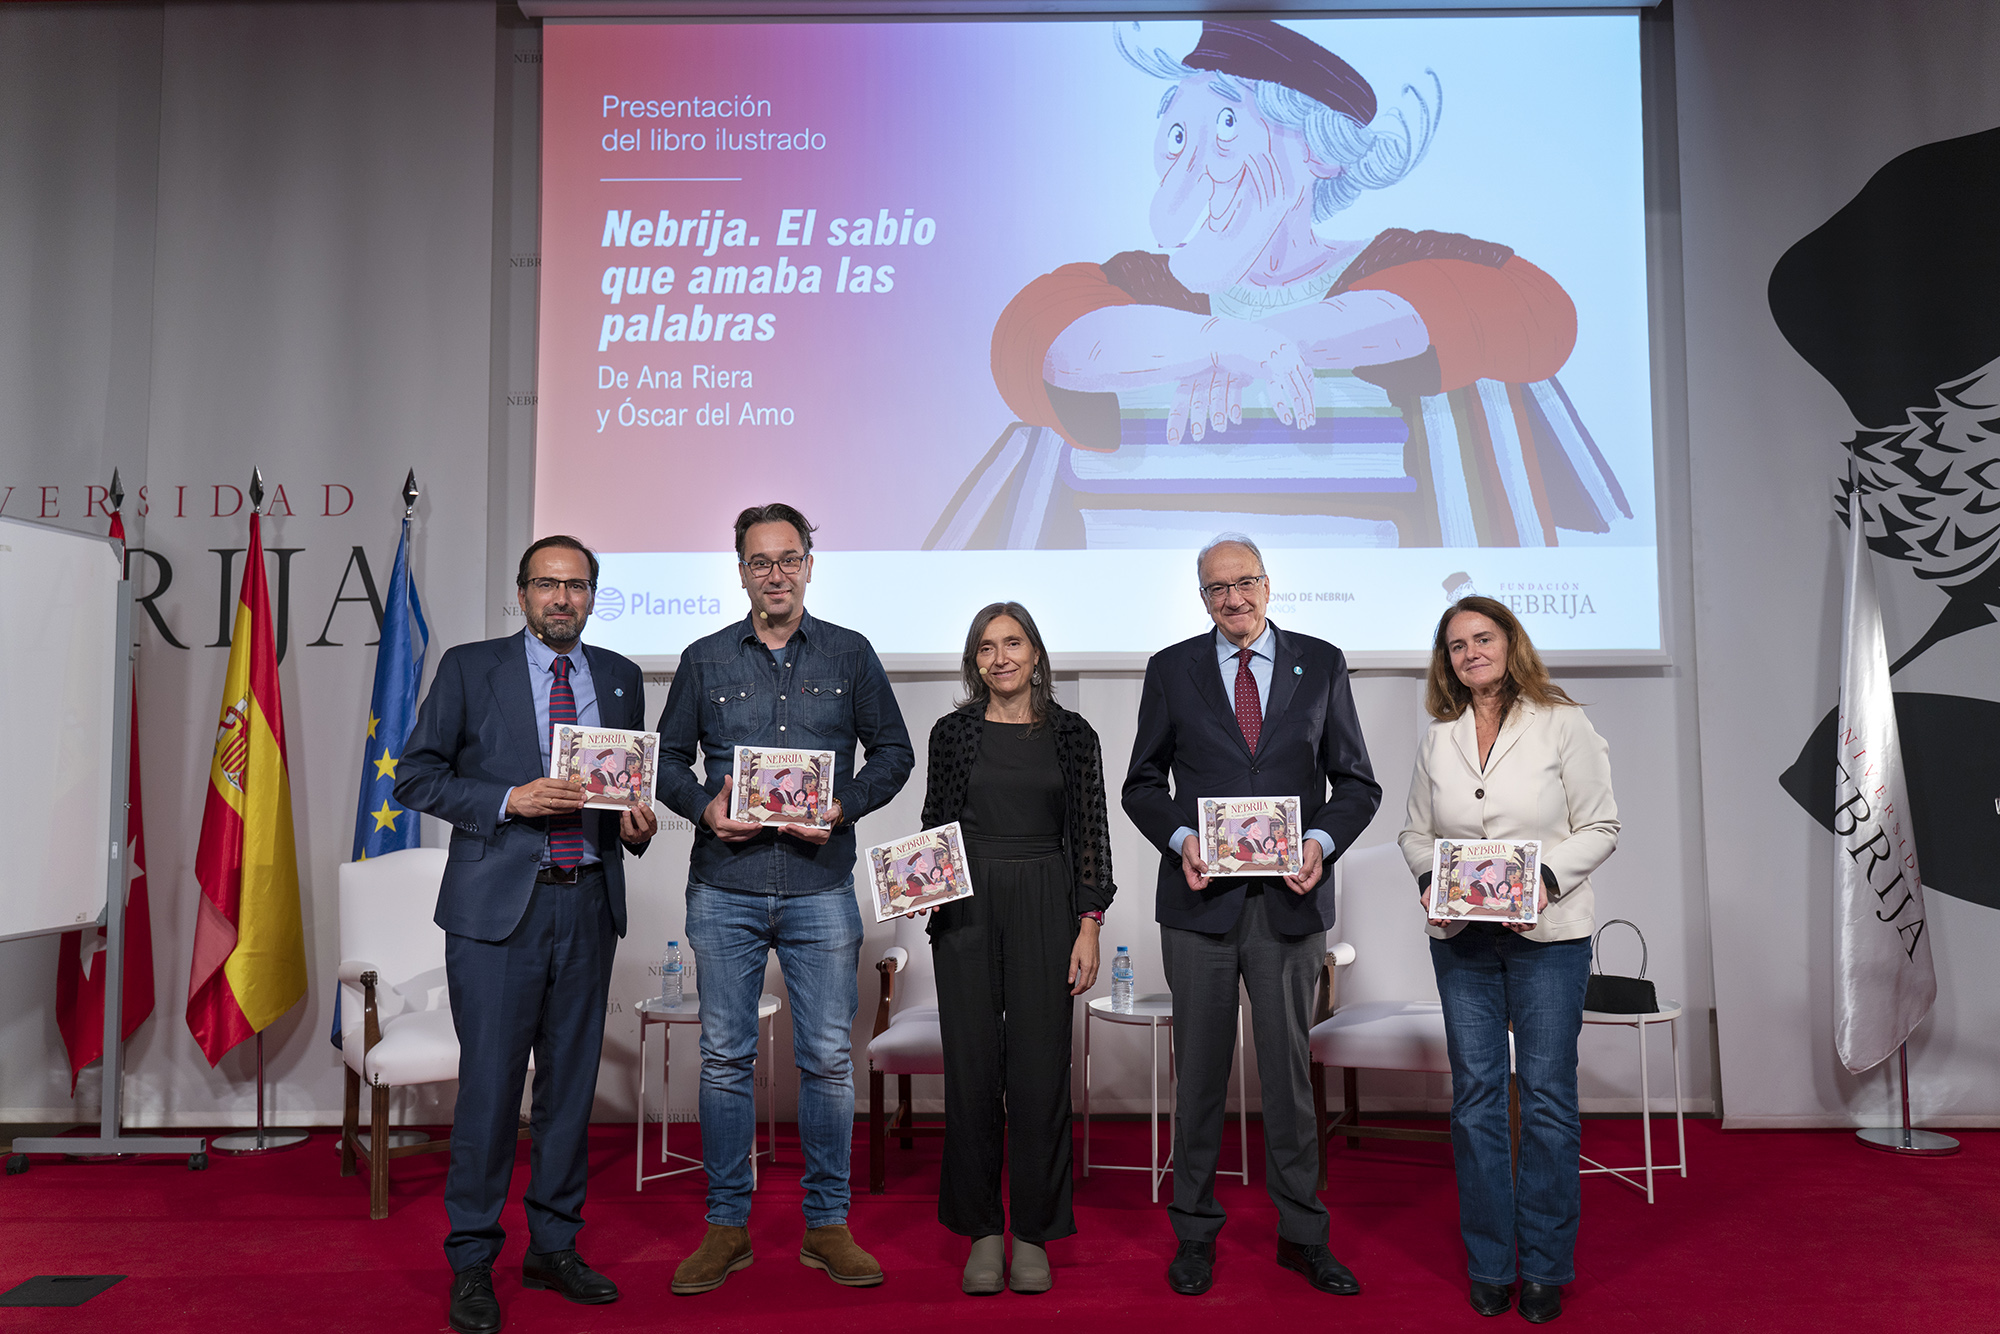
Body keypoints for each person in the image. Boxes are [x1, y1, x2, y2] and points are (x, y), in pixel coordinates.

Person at [974, 17, 1626, 550]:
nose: (1193, 168)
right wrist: (1223, 341)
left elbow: (1534, 309)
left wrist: (1275, 340)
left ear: (1317, 150)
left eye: (1228, 125)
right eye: (1177, 134)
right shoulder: (1151, 283)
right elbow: (1035, 338)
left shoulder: (1389, 260)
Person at [396, 536, 659, 1334]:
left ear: (593, 597)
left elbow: (624, 799)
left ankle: (554, 1246)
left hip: (587, 906)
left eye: (576, 586)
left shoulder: (620, 677)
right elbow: (416, 776)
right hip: (497, 914)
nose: (562, 598)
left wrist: (637, 825)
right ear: (522, 594)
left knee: (570, 1091)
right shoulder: (470, 668)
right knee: (489, 1091)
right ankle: (474, 1259)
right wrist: (511, 799)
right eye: (547, 584)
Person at [653, 502, 914, 1294]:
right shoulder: (703, 659)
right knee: (724, 1059)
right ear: (741, 572)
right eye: (760, 561)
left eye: (788, 559)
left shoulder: (850, 652)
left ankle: (827, 1226)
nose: (776, 574)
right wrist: (704, 808)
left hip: (819, 884)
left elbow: (894, 752)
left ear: (808, 565)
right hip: (724, 887)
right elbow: (666, 760)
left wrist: (842, 807)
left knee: (827, 1060)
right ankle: (726, 1227)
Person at [1122, 535, 1381, 1297]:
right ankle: (1195, 1233)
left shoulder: (1321, 663)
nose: (1232, 599)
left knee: (1289, 1080)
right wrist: (1182, 840)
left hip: (1290, 905)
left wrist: (1320, 844)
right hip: (1198, 903)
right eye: (1216, 589)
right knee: (1199, 1078)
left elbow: (1356, 784)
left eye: (1244, 583)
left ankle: (1303, 1236)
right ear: (1201, 597)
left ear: (1268, 585)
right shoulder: (1170, 668)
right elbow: (1142, 784)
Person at [1398, 595, 1619, 1323]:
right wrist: (1431, 882)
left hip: (1548, 938)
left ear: (1510, 642)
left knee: (1548, 1100)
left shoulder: (1564, 722)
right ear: (1447, 661)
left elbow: (1601, 825)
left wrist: (1543, 881)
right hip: (1463, 941)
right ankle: (1491, 1263)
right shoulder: (1439, 738)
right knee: (1476, 1101)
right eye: (1457, 645)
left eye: (1483, 638)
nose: (1471, 653)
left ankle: (1546, 1267)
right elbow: (1415, 834)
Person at [918, 602, 1117, 1297]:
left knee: (1039, 1075)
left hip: (1046, 901)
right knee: (972, 1072)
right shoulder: (951, 734)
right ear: (974, 661)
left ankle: (1032, 1232)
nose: (999, 657)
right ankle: (981, 1231)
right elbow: (934, 825)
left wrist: (1089, 924)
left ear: (1035, 654)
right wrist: (917, 887)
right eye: (985, 647)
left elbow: (1091, 834)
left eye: (1012, 643)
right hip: (965, 906)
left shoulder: (1073, 734)